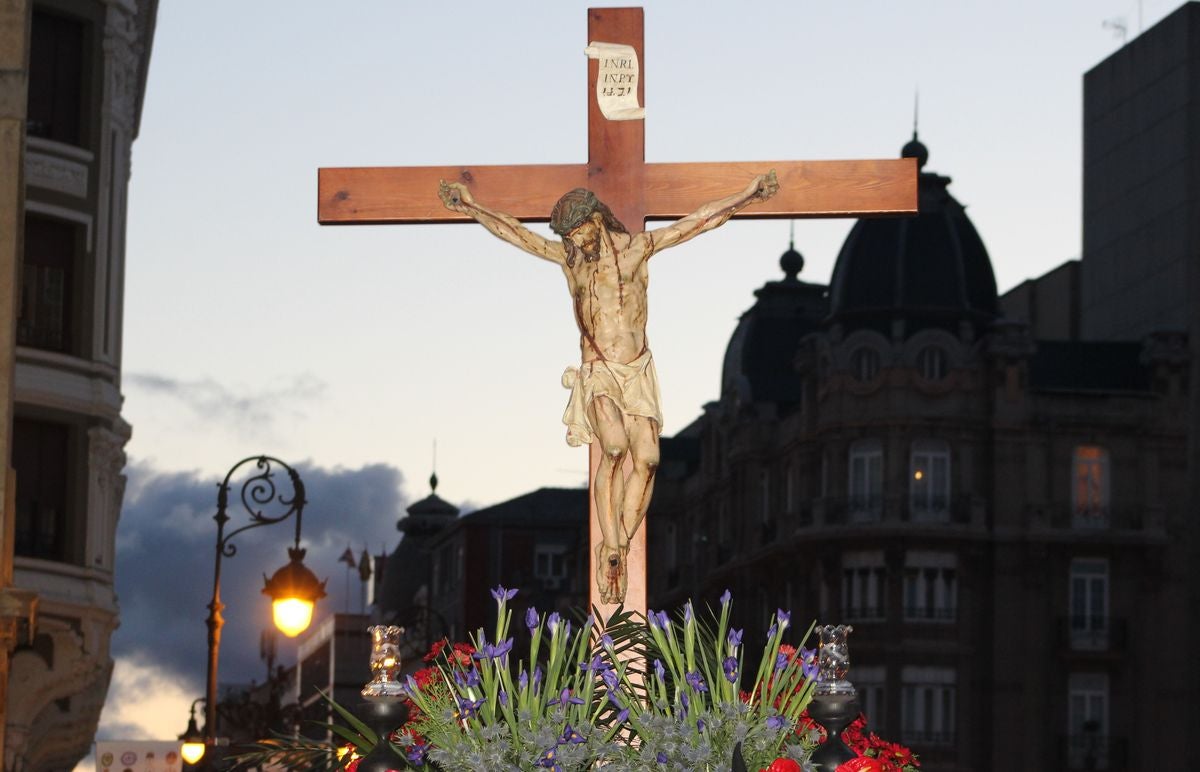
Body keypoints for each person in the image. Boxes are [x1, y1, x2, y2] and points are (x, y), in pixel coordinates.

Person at [438, 171, 779, 603]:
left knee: (650, 459)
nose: (576, 242)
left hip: (637, 370)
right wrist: (470, 206)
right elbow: (515, 233)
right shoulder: (570, 262)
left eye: (580, 231)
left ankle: (619, 540)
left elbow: (698, 221)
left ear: (596, 220)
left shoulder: (638, 249)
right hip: (598, 368)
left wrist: (747, 195)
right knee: (614, 448)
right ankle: (611, 543)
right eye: (570, 236)